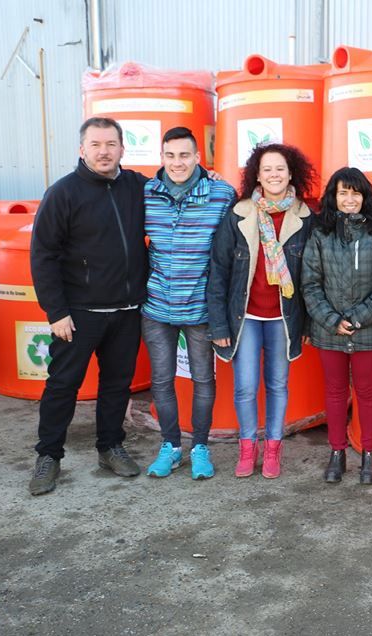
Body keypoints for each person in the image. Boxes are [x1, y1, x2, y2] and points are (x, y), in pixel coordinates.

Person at [28, 117, 149, 496]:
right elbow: (43, 255)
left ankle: (110, 447)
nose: (103, 151)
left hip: (127, 311)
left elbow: (176, 186)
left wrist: (208, 178)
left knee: (117, 385)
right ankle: (48, 456)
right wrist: (56, 312)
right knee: (63, 386)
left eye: (111, 144)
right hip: (78, 314)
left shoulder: (138, 186)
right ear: (82, 149)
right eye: (95, 144)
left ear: (122, 149)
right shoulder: (63, 193)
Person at [208, 143, 315, 479]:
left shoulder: (305, 218)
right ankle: (247, 448)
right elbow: (219, 270)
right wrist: (218, 325)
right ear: (257, 175)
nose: (274, 175)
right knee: (244, 386)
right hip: (246, 318)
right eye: (267, 169)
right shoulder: (238, 214)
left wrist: (308, 324)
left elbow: (313, 276)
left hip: (284, 317)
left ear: (291, 173)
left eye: (280, 169)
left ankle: (272, 449)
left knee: (278, 385)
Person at [142, 127, 236, 480]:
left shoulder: (221, 193)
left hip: (200, 307)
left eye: (184, 155)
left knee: (203, 379)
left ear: (198, 157)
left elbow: (234, 249)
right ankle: (170, 445)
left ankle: (199, 447)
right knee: (161, 380)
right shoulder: (147, 193)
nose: (177, 162)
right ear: (162, 157)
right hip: (156, 306)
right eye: (170, 155)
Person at [301, 167, 372, 485]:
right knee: (334, 392)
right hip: (328, 330)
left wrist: (357, 318)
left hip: (367, 329)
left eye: (355, 192)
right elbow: (310, 283)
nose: (349, 199)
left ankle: (369, 454)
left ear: (364, 196)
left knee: (367, 392)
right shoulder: (320, 234)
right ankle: (337, 452)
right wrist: (332, 320)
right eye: (343, 192)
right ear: (333, 196)